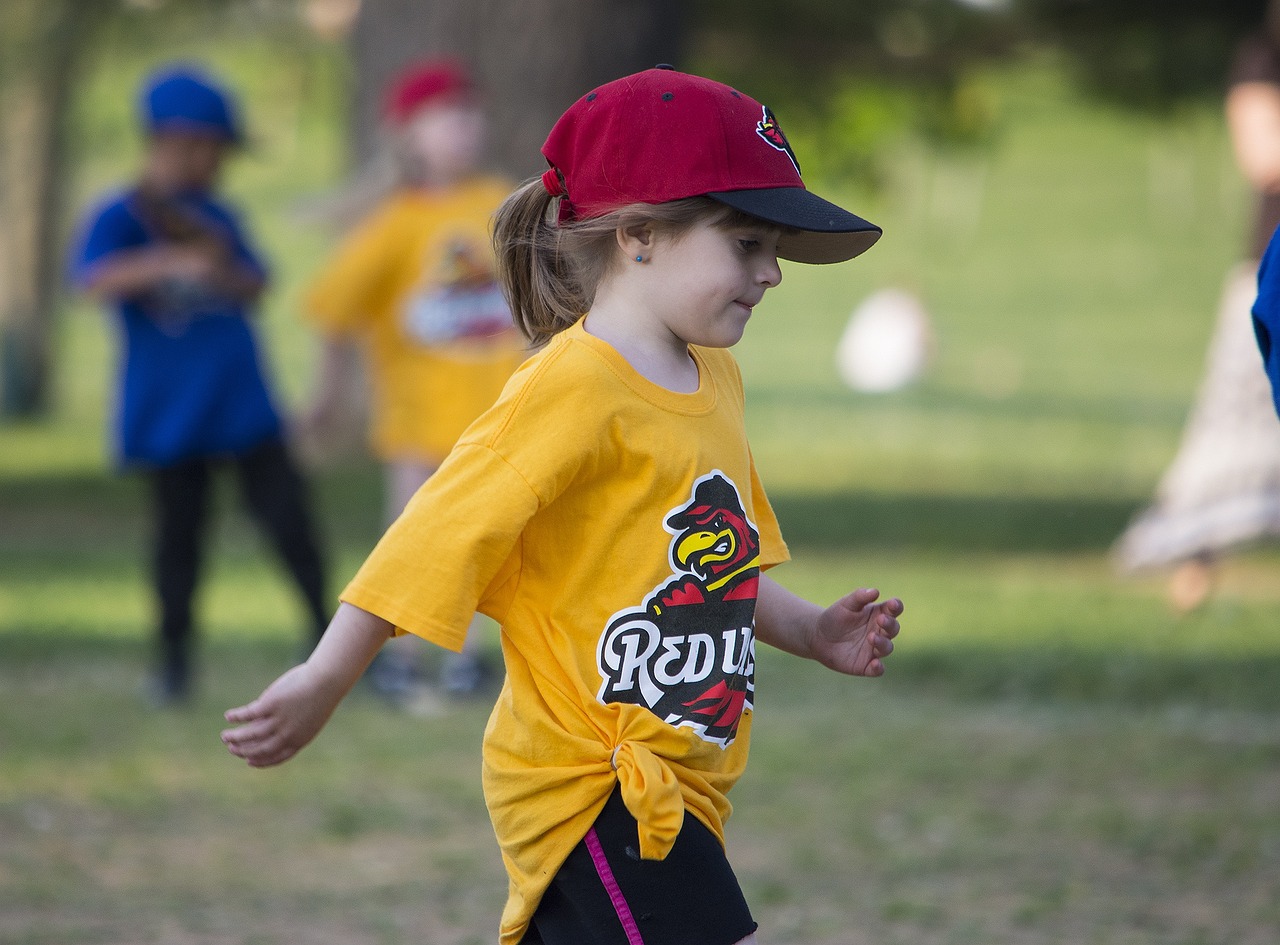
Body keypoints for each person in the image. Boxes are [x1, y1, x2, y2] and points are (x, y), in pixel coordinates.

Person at [222, 67, 902, 945]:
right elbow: (432, 534)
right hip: (593, 786)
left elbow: (714, 570)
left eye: (773, 247)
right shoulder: (569, 386)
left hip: (678, 782)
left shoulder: (714, 378)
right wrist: (325, 676)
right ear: (642, 235)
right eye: (745, 242)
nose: (771, 271)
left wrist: (811, 630)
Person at [71, 65, 329, 705]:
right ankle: (173, 665)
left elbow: (258, 282)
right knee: (178, 540)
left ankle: (329, 645)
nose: (219, 164)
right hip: (170, 411)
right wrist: (166, 260)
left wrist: (217, 263)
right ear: (175, 139)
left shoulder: (217, 214)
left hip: (241, 403)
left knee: (291, 524)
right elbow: (91, 279)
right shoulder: (123, 213)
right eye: (213, 148)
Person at [301, 59, 527, 701]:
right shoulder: (394, 221)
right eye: (446, 116)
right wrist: (327, 394)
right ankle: (396, 661)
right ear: (408, 133)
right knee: (411, 545)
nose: (465, 127)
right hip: (417, 423)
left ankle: (468, 661)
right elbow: (332, 308)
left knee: (487, 543)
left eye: (470, 113)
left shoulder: (500, 202)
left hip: (495, 418)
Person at [1114, 7, 1280, 611]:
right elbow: (1266, 158)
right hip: (1271, 269)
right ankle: (1192, 564)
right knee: (1233, 415)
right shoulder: (1262, 60)